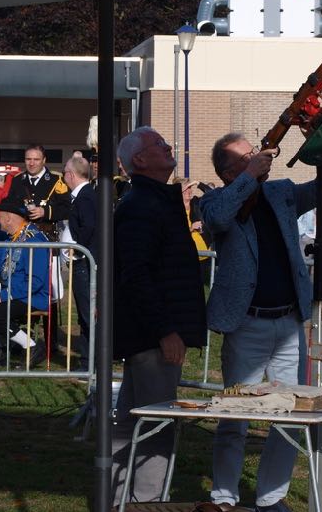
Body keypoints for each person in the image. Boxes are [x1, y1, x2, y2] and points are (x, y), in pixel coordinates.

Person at [202, 132, 322, 512]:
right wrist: (250, 176)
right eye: (247, 157)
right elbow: (215, 219)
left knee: (291, 414)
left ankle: (271, 497)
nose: (259, 157)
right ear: (229, 171)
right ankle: (224, 497)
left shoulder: (280, 192)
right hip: (246, 323)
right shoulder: (217, 198)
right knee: (235, 417)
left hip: (288, 321)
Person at [111, 127, 207, 504]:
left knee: (136, 417)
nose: (168, 147)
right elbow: (137, 274)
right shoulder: (141, 205)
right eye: (158, 145)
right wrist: (166, 330)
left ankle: (122, 499)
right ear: (140, 160)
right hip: (152, 334)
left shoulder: (155, 201)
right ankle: (145, 501)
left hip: (150, 332)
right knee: (156, 422)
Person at [0, 198, 51, 368]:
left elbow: (35, 282)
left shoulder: (34, 241)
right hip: (11, 291)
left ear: (9, 218)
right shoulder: (11, 239)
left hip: (31, 296)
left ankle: (32, 346)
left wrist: (3, 296)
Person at [61, 154, 96, 368]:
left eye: (65, 172)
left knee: (88, 313)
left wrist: (78, 249)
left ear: (71, 175)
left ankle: (93, 360)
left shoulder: (85, 197)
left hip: (85, 262)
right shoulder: (85, 195)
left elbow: (90, 227)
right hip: (82, 262)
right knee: (85, 315)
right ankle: (86, 360)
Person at [4, 144, 71, 237]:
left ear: (44, 160)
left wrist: (45, 212)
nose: (32, 163)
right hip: (20, 236)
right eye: (28, 159)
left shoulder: (56, 180)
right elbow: (9, 206)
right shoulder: (17, 180)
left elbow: (67, 209)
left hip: (47, 237)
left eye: (36, 159)